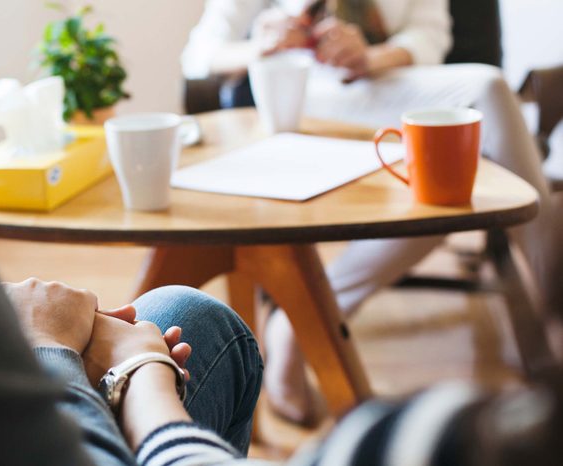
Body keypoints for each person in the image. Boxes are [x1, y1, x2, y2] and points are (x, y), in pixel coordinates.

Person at [0, 185, 563, 466]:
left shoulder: (455, 443)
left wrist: (59, 353)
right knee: (193, 316)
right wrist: (139, 370)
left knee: (186, 320)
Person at [182, 0, 563, 423]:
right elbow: (200, 54)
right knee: (443, 180)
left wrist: (370, 56)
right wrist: (261, 44)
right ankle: (556, 305)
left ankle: (299, 322)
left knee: (466, 137)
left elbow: (430, 38)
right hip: (299, 93)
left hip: (386, 85)